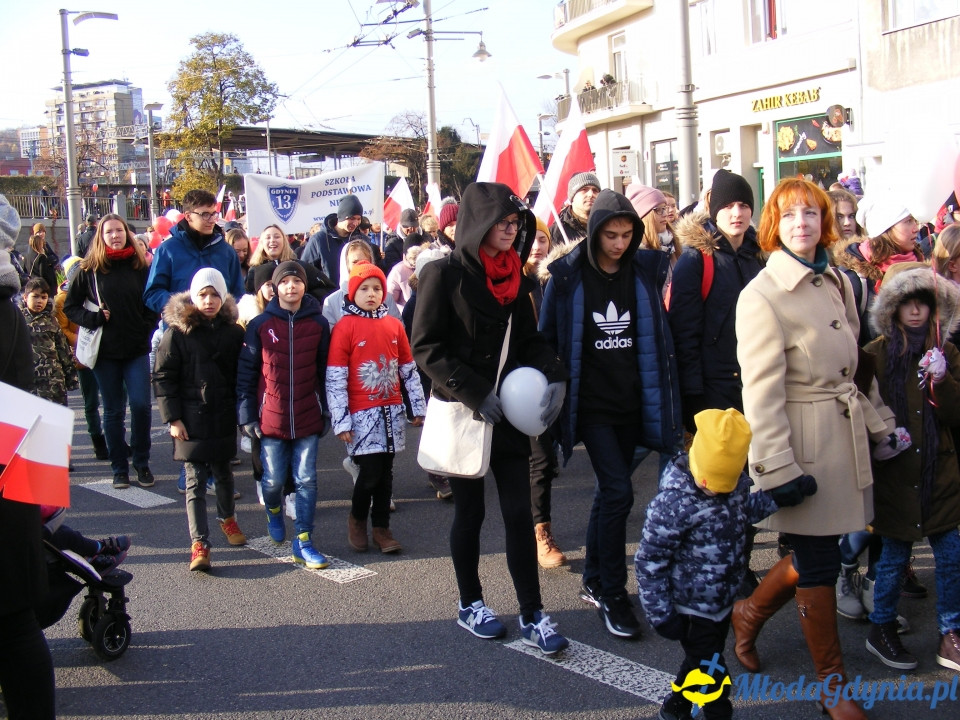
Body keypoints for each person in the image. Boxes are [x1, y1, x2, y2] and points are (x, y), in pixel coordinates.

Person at [733, 178, 899, 720]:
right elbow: (761, 393)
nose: (800, 222)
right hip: (802, 446)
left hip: (843, 437)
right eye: (788, 214)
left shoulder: (838, 281)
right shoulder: (761, 294)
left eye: (810, 212)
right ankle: (833, 685)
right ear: (773, 226)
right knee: (820, 561)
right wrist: (776, 467)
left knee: (816, 554)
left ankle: (748, 614)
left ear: (824, 220)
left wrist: (881, 425)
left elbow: (855, 369)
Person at [412, 182, 570, 656]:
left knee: (520, 513)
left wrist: (555, 373)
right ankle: (471, 603)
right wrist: (476, 392)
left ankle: (532, 613)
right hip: (466, 411)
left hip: (509, 414)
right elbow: (426, 347)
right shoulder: (442, 274)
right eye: (502, 221)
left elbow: (529, 341)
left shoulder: (516, 277)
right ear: (478, 223)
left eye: (516, 223)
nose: (511, 229)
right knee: (471, 513)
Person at [538, 188, 682, 639]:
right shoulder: (567, 276)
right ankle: (614, 592)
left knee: (610, 494)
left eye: (626, 234)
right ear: (595, 232)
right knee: (619, 492)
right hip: (593, 405)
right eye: (611, 235)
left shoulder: (645, 270)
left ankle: (594, 580)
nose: (619, 244)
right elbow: (546, 341)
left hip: (634, 401)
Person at [636, 408, 809, 720]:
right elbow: (650, 561)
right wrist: (660, 613)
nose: (716, 490)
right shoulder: (673, 504)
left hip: (722, 601)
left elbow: (744, 512)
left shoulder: (734, 488)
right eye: (710, 483)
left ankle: (676, 706)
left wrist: (781, 497)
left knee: (700, 661)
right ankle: (718, 712)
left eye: (724, 484)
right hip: (690, 608)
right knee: (714, 674)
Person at [861, 265, 960, 673]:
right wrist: (880, 439)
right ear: (892, 308)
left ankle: (950, 631)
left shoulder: (948, 352)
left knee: (952, 555)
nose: (916, 311)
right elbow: (860, 404)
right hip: (895, 474)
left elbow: (956, 414)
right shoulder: (876, 353)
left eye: (923, 303)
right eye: (907, 303)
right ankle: (881, 626)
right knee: (892, 557)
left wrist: (943, 380)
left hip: (940, 473)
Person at [0, 194, 56, 720]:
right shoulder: (9, 304)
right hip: (18, 470)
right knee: (15, 620)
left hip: (10, 467)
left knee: (14, 626)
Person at [327, 261, 426, 554]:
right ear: (352, 292)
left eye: (377, 288)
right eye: (364, 289)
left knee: (386, 474)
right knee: (369, 472)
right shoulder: (345, 327)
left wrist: (417, 406)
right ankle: (357, 519)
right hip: (361, 414)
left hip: (391, 410)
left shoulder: (394, 325)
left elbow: (408, 368)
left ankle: (382, 528)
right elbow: (336, 377)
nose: (371, 294)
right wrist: (341, 420)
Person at [237, 261, 331, 569]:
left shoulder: (318, 324)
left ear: (305, 286)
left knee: (306, 479)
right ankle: (274, 510)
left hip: (307, 415)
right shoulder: (260, 325)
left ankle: (303, 540)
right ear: (275, 288)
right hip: (271, 418)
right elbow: (247, 374)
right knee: (274, 480)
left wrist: (327, 409)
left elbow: (325, 371)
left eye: (297, 281)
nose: (291, 286)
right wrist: (247, 416)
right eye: (285, 282)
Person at [154, 268, 247, 571]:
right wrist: (173, 418)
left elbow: (243, 374)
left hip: (222, 414)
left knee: (223, 473)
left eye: (214, 295)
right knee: (194, 481)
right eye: (203, 295)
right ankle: (199, 543)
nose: (209, 301)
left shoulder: (234, 333)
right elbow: (163, 377)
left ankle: (227, 518)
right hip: (190, 419)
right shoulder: (177, 333)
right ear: (193, 297)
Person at [65, 214, 157, 489]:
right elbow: (71, 307)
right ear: (101, 237)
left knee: (141, 406)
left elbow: (152, 303)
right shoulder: (89, 269)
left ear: (127, 234)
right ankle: (119, 468)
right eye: (109, 232)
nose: (115, 235)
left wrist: (145, 327)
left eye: (119, 230)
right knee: (114, 411)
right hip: (105, 353)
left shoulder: (140, 266)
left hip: (136, 349)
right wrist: (93, 319)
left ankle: (141, 461)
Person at [670, 169, 763, 429]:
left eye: (744, 205)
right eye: (728, 206)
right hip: (715, 387)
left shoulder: (761, 256)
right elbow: (684, 333)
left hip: (758, 379)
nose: (737, 213)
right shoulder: (695, 260)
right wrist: (693, 395)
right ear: (714, 210)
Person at [526, 216, 565, 568]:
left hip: (560, 377)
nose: (538, 246)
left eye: (543, 239)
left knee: (549, 458)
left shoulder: (559, 278)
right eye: (532, 239)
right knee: (540, 460)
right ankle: (542, 532)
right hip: (524, 386)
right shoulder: (515, 283)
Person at [833, 194, 923, 345]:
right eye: (908, 221)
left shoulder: (921, 268)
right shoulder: (855, 278)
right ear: (886, 228)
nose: (916, 228)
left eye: (915, 221)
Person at [401, 247, 452, 501]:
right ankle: (436, 472)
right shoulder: (414, 304)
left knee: (451, 423)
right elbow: (414, 343)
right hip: (425, 373)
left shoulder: (453, 295)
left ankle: (452, 468)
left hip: (449, 369)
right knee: (435, 424)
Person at [143, 189, 244, 316]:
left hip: (218, 325)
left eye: (214, 214)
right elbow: (152, 293)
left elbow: (238, 295)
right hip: (180, 325)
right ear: (188, 216)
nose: (212, 220)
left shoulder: (227, 251)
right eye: (205, 214)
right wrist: (183, 306)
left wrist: (223, 311)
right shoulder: (167, 249)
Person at [55, 257, 107, 460]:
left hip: (105, 352)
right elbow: (63, 329)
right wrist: (85, 340)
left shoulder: (98, 293)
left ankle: (115, 439)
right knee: (91, 401)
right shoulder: (62, 299)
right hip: (82, 354)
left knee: (115, 399)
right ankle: (97, 440)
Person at [20, 277, 77, 405]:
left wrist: (71, 378)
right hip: (27, 381)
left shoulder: (52, 321)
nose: (39, 301)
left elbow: (63, 350)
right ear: (25, 297)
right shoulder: (18, 320)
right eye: (35, 296)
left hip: (53, 382)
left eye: (43, 297)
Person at [628, 184, 681, 301]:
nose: (665, 214)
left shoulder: (674, 243)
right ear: (644, 216)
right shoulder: (637, 253)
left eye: (665, 208)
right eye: (659, 210)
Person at [300, 194, 367, 285]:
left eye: (358, 219)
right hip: (328, 292)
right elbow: (305, 271)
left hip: (356, 291)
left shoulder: (362, 240)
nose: (355, 223)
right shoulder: (319, 240)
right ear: (342, 216)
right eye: (351, 218)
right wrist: (320, 290)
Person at [550, 172, 600, 247]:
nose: (590, 194)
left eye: (595, 190)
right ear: (572, 196)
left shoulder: (607, 223)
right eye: (584, 189)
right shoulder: (557, 232)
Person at [25, 223, 59, 295]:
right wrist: (46, 261)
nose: (41, 234)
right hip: (42, 286)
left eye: (43, 231)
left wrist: (48, 261)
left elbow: (55, 258)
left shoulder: (45, 244)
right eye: (39, 232)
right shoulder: (36, 252)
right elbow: (43, 274)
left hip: (40, 285)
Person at [386, 242, 421, 311]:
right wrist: (404, 311)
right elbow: (390, 301)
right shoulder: (398, 270)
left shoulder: (429, 267)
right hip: (405, 313)